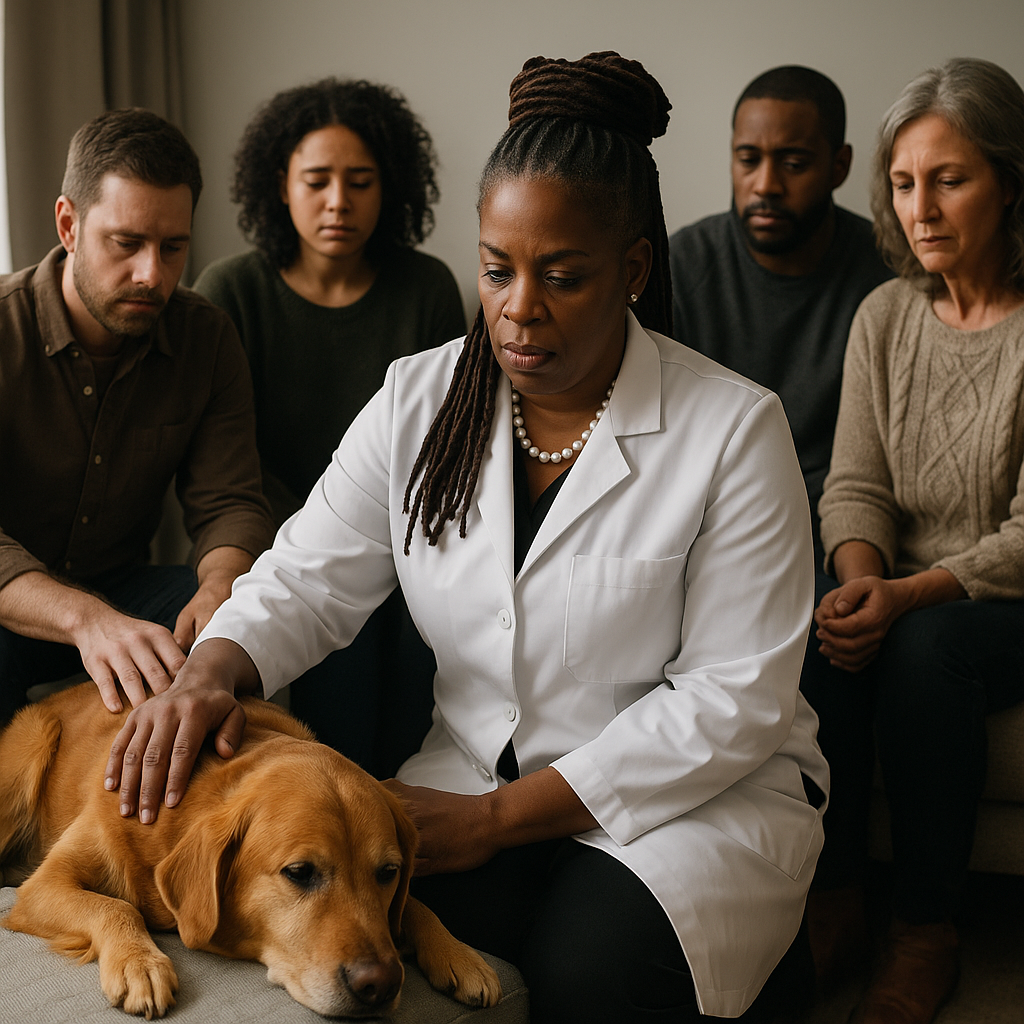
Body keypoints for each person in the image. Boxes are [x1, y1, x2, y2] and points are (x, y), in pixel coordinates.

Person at [106, 53, 827, 1022]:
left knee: (590, 974)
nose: (517, 309)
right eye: (496, 270)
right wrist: (211, 670)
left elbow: (731, 703)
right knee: (349, 940)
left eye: (561, 276)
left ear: (634, 269)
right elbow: (308, 578)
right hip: (466, 778)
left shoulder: (734, 429)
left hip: (689, 801)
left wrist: (496, 822)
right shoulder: (422, 399)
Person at [801, 58, 1024, 1024]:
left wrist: (907, 596)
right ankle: (835, 902)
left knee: (924, 651)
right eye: (902, 183)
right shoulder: (885, 315)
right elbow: (855, 487)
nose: (921, 208)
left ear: (1011, 181)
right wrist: (863, 586)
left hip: (1001, 601)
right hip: (905, 586)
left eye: (950, 178)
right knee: (822, 627)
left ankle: (925, 931)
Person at [193, 78, 465, 773]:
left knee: (415, 630)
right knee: (336, 630)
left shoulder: (427, 288)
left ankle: (402, 810)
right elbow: (225, 462)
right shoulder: (230, 292)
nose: (338, 201)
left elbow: (447, 447)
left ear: (391, 188)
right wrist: (321, 543)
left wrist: (378, 551)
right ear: (281, 186)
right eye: (317, 180)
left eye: (361, 181)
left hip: (403, 542)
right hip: (279, 541)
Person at [0, 109, 274, 728]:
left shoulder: (205, 338)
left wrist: (220, 588)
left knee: (241, 629)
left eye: (173, 247)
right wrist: (84, 619)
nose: (152, 274)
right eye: (126, 243)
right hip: (11, 604)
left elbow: (229, 501)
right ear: (69, 225)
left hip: (122, 588)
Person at [669, 66, 892, 563]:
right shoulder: (681, 266)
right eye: (748, 159)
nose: (765, 184)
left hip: (843, 539)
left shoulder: (890, 274)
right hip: (709, 535)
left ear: (840, 166)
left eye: (793, 163)